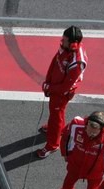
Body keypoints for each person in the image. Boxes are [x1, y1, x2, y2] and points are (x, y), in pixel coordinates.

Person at [37, 26, 87, 159]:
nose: (61, 41)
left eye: (64, 40)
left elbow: (65, 87)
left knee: (56, 115)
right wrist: (48, 82)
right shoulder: (65, 48)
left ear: (73, 43)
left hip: (62, 94)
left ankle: (52, 145)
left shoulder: (77, 62)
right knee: (56, 114)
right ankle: (55, 129)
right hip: (54, 88)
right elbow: (55, 62)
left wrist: (49, 88)